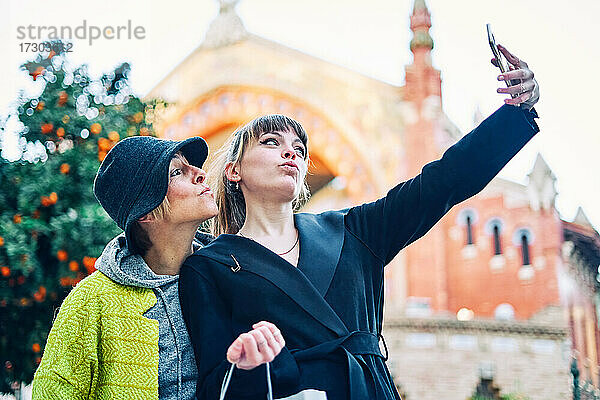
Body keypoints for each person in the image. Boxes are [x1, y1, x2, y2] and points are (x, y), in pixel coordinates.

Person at [178, 45, 540, 400]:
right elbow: (213, 384)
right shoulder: (209, 266)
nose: (290, 152)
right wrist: (245, 368)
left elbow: (442, 183)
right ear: (233, 170)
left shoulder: (354, 230)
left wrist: (513, 114)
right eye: (271, 142)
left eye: (300, 149)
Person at [32, 136, 284, 399]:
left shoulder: (232, 273)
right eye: (177, 172)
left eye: (193, 166)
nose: (200, 173)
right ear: (146, 212)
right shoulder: (91, 301)